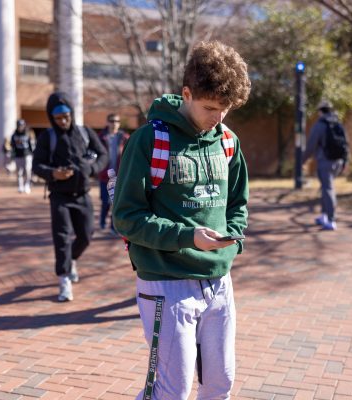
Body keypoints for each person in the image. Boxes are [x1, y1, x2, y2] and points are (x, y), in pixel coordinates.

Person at [112, 40, 251, 400]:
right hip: (166, 284)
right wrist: (188, 237)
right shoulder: (149, 140)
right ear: (186, 94)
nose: (218, 117)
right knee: (171, 392)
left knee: (220, 383)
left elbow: (238, 202)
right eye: (210, 107)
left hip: (219, 282)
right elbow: (126, 218)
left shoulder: (228, 142)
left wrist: (233, 239)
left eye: (225, 109)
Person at [32, 92, 108, 302]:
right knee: (62, 238)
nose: (63, 121)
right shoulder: (48, 137)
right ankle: (64, 278)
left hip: (83, 194)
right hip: (59, 197)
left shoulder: (84, 132)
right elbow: (36, 165)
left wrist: (91, 169)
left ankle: (72, 259)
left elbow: (103, 154)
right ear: (51, 118)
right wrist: (52, 173)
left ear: (72, 114)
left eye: (66, 116)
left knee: (86, 235)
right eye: (58, 118)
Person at [302, 101, 348, 231]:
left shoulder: (320, 125)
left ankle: (331, 220)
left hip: (325, 161)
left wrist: (302, 161)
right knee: (325, 187)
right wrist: (345, 162)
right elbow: (346, 144)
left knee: (328, 189)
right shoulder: (338, 123)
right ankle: (324, 216)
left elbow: (311, 146)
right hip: (338, 162)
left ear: (320, 111)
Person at [97, 113, 129, 233]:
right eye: (111, 121)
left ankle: (112, 227)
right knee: (105, 201)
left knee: (115, 202)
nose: (114, 123)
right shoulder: (101, 137)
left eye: (116, 121)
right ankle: (102, 221)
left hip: (119, 176)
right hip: (104, 176)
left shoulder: (124, 137)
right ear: (107, 122)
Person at [11, 119, 35, 193]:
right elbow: (13, 146)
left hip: (27, 155)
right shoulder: (14, 135)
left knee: (28, 170)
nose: (20, 127)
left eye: (22, 125)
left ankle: (27, 185)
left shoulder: (28, 134)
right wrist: (12, 155)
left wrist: (33, 154)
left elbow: (32, 145)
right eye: (19, 125)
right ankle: (20, 186)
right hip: (18, 155)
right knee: (19, 172)